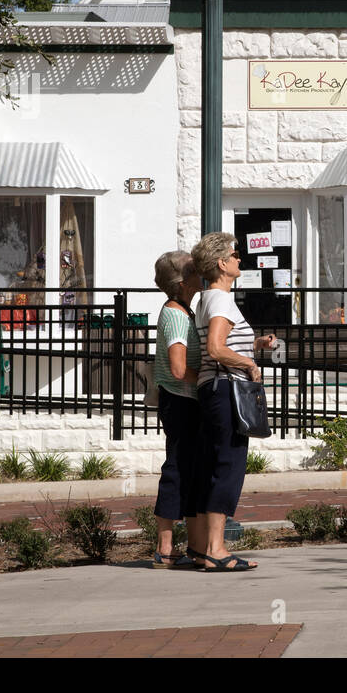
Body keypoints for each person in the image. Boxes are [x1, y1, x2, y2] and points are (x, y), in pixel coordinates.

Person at [190, 232, 277, 572]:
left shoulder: (208, 299)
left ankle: (202, 547)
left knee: (213, 464)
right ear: (222, 264)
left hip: (212, 390)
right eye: (235, 254)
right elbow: (215, 348)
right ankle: (217, 549)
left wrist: (254, 344)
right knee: (229, 464)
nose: (240, 259)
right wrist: (250, 364)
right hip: (227, 389)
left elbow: (222, 343)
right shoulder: (221, 300)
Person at [150, 250, 203, 568]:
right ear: (183, 283)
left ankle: (181, 546)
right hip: (180, 400)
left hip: (185, 400)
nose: (202, 273)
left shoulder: (185, 310)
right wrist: (211, 378)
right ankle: (165, 548)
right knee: (177, 469)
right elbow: (179, 368)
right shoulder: (175, 315)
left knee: (186, 468)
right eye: (195, 270)